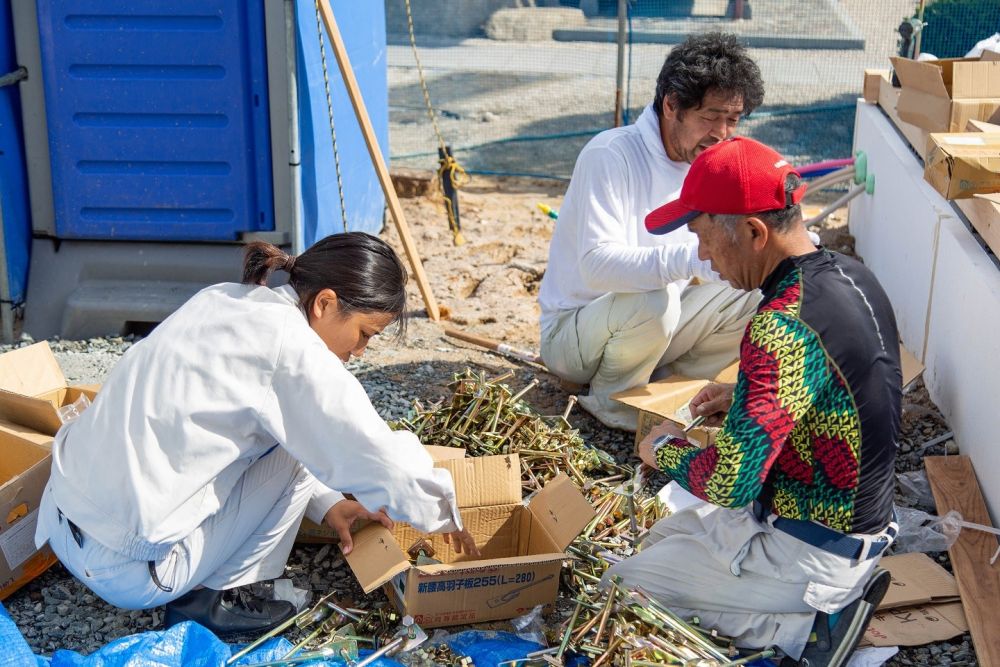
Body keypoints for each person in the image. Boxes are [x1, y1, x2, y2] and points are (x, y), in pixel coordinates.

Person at [35, 232, 480, 638]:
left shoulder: (228, 299)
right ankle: (214, 602)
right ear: (324, 303)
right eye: (364, 334)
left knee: (296, 432)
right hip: (128, 568)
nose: (359, 351)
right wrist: (444, 513)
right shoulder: (291, 348)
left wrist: (328, 505)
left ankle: (214, 586)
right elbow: (373, 452)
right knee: (302, 441)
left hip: (64, 518)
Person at [606, 137, 900, 666]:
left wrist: (664, 450)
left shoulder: (779, 326)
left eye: (702, 236)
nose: (700, 254)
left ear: (752, 231)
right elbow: (838, 391)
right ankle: (804, 609)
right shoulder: (853, 276)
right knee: (664, 536)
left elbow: (729, 483)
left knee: (619, 584)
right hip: (854, 530)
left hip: (809, 556)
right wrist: (741, 395)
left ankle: (808, 632)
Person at [537, 32, 766, 431]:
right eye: (710, 117)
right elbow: (598, 267)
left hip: (655, 325)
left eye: (733, 119)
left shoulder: (710, 162)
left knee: (755, 290)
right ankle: (614, 406)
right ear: (671, 105)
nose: (722, 134)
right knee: (653, 300)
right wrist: (693, 259)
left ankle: (672, 392)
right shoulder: (611, 154)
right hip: (574, 336)